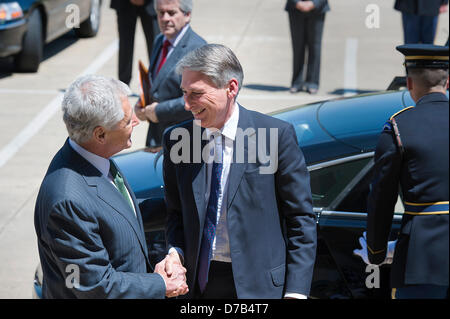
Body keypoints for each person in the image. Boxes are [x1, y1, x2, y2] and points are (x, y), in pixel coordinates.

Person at [159, 44, 317, 299]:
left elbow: (300, 220)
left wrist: (296, 293)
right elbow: (176, 213)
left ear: (231, 88)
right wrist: (174, 252)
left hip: (260, 288)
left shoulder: (275, 137)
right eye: (184, 93)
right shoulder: (178, 140)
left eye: (196, 94)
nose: (187, 105)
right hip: (199, 286)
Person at [34, 75, 188, 298]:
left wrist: (183, 208)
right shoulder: (67, 201)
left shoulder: (94, 158)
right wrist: (160, 284)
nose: (136, 120)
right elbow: (93, 285)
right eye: (127, 121)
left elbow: (117, 216)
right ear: (100, 134)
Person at [355, 44, 449, 299]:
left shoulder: (399, 127)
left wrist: (376, 252)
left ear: (409, 83)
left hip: (422, 262)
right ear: (448, 81)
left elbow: (381, 199)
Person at [134, 0, 206, 152]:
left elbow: (198, 99)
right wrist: (143, 104)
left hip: (183, 142)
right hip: (156, 137)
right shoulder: (160, 40)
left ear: (187, 15)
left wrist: (158, 111)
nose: (165, 18)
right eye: (161, 12)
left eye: (171, 13)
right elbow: (157, 84)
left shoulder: (198, 50)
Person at [285, 0, 330, 94]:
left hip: (317, 9)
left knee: (315, 47)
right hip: (295, 9)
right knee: (297, 47)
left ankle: (312, 82)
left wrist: (314, 3)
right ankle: (297, 82)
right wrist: (297, 3)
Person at [110, 0, 159, 86]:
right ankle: (123, 86)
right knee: (125, 46)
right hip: (124, 4)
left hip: (151, 3)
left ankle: (157, 85)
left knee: (155, 45)